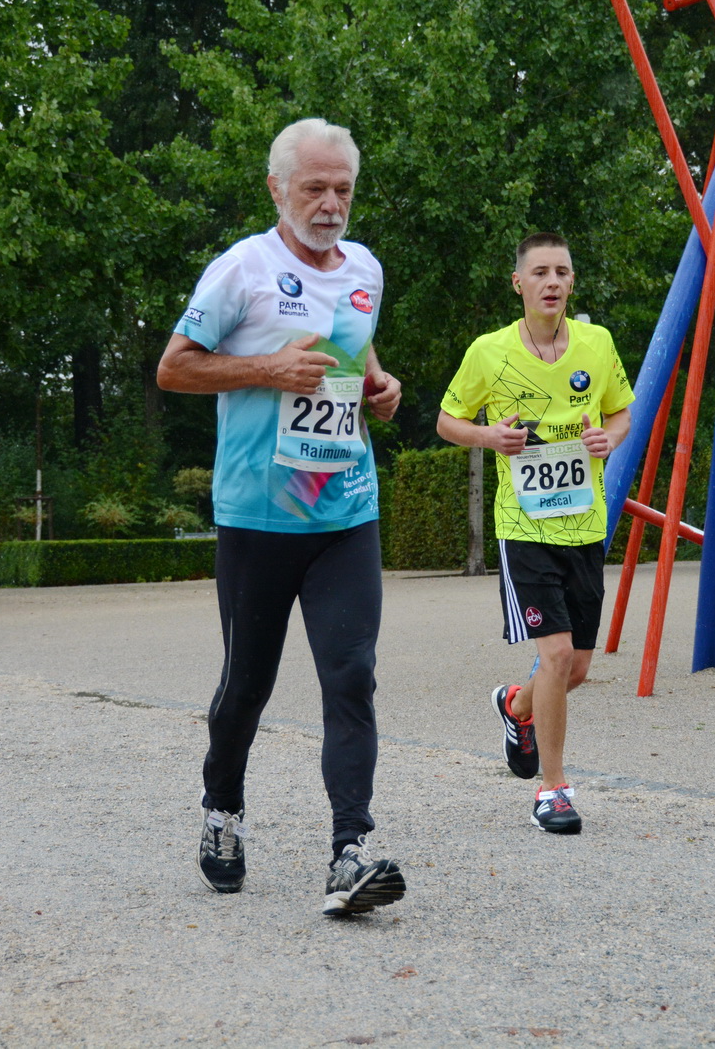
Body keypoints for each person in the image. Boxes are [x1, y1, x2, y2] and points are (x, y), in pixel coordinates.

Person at [156, 118, 407, 917]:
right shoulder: (242, 270)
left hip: (345, 511)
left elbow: (355, 353)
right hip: (259, 517)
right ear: (277, 189)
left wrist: (379, 384)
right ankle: (222, 806)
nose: (331, 204)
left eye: (343, 189)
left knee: (352, 673)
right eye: (315, 188)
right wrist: (267, 369)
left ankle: (350, 849)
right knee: (247, 685)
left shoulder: (365, 267)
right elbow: (173, 368)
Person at [436, 232, 634, 834]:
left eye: (562, 272)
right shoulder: (488, 352)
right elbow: (448, 421)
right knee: (552, 657)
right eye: (540, 272)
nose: (552, 282)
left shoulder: (597, 345)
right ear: (518, 283)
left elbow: (621, 411)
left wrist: (610, 437)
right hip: (522, 527)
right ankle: (554, 790)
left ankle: (515, 707)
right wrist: (490, 437)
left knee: (574, 670)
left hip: (585, 526)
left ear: (572, 282)